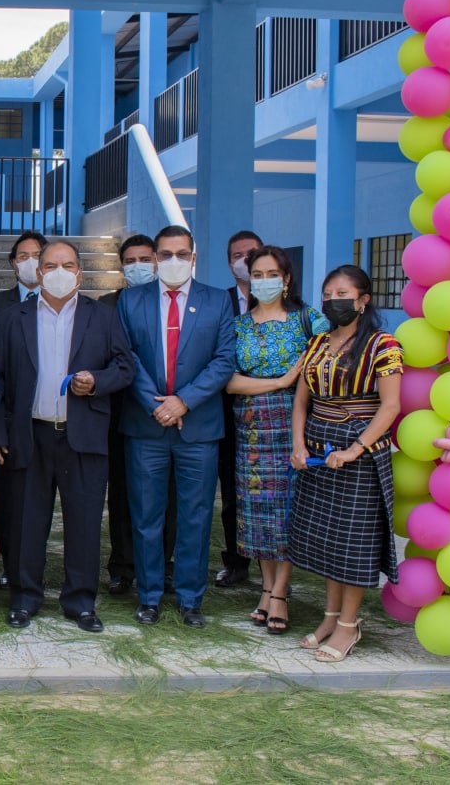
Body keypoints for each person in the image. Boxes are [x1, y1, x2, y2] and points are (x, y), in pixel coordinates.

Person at [0, 241, 135, 632]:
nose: (59, 272)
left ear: (80, 274)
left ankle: (80, 601)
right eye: (51, 265)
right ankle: (24, 597)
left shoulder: (102, 316)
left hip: (83, 435)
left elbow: (125, 367)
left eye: (67, 265)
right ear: (38, 273)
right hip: (30, 434)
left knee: (84, 521)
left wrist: (97, 381)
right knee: (26, 521)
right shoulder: (12, 317)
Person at [117, 225, 235, 628]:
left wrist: (184, 400)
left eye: (181, 254)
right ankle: (149, 596)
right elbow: (126, 356)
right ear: (154, 258)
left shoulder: (217, 301)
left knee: (195, 517)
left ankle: (190, 598)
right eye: (165, 254)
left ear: (193, 257)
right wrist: (157, 404)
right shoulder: (131, 300)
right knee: (146, 516)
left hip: (198, 427)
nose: (173, 261)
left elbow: (224, 359)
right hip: (146, 425)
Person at [290, 265, 401, 663]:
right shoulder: (317, 342)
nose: (333, 301)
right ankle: (330, 617)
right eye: (327, 294)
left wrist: (355, 449)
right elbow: (301, 401)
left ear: (363, 300)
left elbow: (390, 406)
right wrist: (298, 445)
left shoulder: (383, 345)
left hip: (359, 451)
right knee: (327, 539)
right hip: (318, 448)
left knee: (353, 543)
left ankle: (349, 625)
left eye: (342, 294)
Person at [226, 246, 327, 635]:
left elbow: (329, 360)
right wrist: (280, 380)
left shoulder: (308, 320)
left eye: (272, 274)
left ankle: (280, 592)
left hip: (294, 423)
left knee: (287, 510)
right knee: (258, 512)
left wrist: (291, 387)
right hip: (250, 425)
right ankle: (267, 588)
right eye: (258, 274)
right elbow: (230, 381)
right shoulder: (238, 325)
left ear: (286, 279)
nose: (264, 281)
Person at [98, 234, 177, 597]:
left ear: (157, 261)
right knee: (122, 493)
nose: (138, 266)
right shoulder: (107, 305)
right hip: (120, 413)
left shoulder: (170, 301)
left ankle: (164, 564)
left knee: (167, 495)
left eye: (145, 259)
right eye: (130, 261)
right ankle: (122, 565)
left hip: (166, 410)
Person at [0, 229, 46, 587]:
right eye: (23, 256)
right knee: (10, 500)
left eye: (37, 255)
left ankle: (37, 563)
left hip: (51, 418)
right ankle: (11, 564)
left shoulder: (64, 304)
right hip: (10, 419)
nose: (30, 262)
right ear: (13, 263)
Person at [217, 229, 263, 588]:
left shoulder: (291, 309)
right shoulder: (221, 303)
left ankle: (274, 568)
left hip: (270, 415)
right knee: (232, 492)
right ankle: (236, 561)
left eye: (251, 254)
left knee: (270, 493)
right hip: (225, 411)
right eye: (237, 255)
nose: (244, 261)